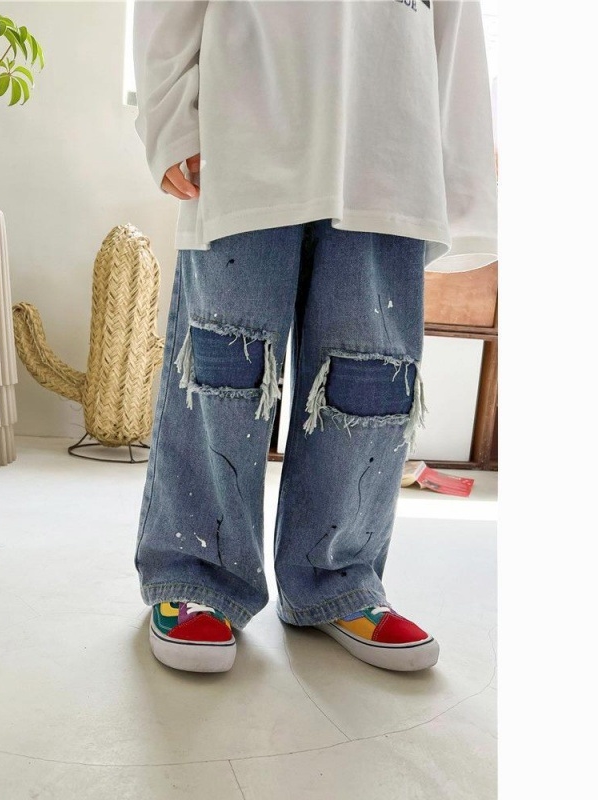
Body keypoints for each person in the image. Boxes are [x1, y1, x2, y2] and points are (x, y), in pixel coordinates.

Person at [132, 0, 497, 673]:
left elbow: (456, 27)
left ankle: (337, 578)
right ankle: (196, 571)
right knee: (224, 363)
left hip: (391, 148)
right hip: (244, 125)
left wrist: (459, 181)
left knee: (370, 379)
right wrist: (168, 117)